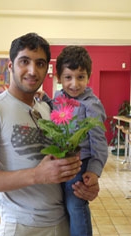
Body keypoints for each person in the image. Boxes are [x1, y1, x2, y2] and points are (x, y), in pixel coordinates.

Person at [0, 33, 99, 236]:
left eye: (40, 63)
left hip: (63, 222)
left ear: (47, 70)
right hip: (22, 227)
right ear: (10, 66)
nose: (32, 70)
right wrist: (37, 175)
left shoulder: (48, 110)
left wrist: (86, 187)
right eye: (24, 61)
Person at [42, 46, 108, 236]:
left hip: (81, 163)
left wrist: (94, 171)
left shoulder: (91, 104)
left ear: (88, 77)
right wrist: (43, 99)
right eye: (68, 77)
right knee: (63, 207)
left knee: (76, 206)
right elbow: (53, 109)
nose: (74, 84)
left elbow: (99, 143)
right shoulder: (58, 97)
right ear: (59, 78)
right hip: (62, 161)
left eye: (81, 77)